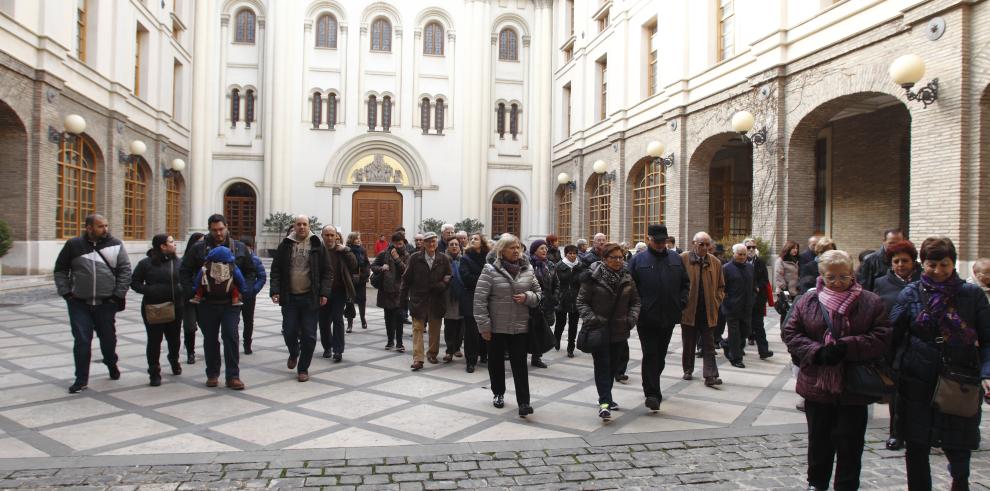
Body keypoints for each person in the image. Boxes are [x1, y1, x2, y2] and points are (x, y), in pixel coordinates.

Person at [782, 249, 890, 491]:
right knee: (819, 440)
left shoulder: (870, 301)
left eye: (844, 277)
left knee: (850, 443)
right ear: (822, 276)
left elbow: (882, 336)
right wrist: (817, 351)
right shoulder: (808, 301)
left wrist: (847, 346)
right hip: (817, 383)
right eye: (832, 277)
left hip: (854, 385)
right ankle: (816, 483)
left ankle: (847, 485)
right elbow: (791, 333)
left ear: (852, 274)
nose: (838, 282)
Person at [890, 237, 990, 491]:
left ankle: (960, 482)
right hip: (917, 381)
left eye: (944, 264)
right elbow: (894, 335)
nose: (938, 271)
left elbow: (988, 338)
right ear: (923, 264)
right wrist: (888, 372)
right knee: (917, 443)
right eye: (932, 264)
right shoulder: (910, 293)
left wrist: (986, 372)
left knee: (959, 441)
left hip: (960, 378)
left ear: (953, 264)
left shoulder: (972, 295)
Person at [55, 214, 132, 394]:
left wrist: (117, 295)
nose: (105, 229)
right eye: (100, 226)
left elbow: (125, 271)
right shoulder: (73, 245)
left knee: (108, 340)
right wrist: (66, 292)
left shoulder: (116, 244)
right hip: (79, 303)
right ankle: (81, 379)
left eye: (106, 225)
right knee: (82, 340)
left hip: (106, 303)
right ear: (89, 228)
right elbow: (60, 269)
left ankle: (111, 362)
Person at [180, 214, 256, 390]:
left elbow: (250, 271)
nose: (218, 233)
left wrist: (247, 290)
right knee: (210, 339)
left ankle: (233, 376)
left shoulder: (239, 248)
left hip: (231, 303)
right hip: (207, 303)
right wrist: (191, 290)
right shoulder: (198, 249)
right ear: (209, 229)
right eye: (214, 230)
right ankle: (212, 374)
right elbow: (184, 270)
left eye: (221, 229)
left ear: (227, 227)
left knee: (231, 336)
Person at [474, 234, 542, 416]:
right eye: (511, 247)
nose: (516, 251)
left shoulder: (527, 269)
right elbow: (479, 300)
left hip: (520, 326)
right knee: (495, 362)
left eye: (518, 247)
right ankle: (498, 393)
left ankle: (524, 402)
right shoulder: (490, 270)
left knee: (520, 364)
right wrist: (484, 326)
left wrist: (527, 297)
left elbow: (538, 293)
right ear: (501, 250)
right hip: (496, 326)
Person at [628, 224, 689, 410]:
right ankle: (652, 393)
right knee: (651, 354)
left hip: (669, 315)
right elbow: (630, 287)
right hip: (646, 317)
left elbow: (685, 283)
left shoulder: (675, 258)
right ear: (649, 240)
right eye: (657, 241)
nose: (661, 245)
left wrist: (682, 301)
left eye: (664, 241)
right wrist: (637, 308)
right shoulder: (638, 260)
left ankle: (652, 383)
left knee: (660, 356)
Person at [577, 242, 640, 419]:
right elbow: (581, 302)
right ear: (604, 259)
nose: (618, 261)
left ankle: (606, 396)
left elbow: (635, 301)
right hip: (599, 330)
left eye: (621, 257)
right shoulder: (592, 277)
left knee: (613, 367)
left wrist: (631, 319)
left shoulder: (627, 276)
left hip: (620, 329)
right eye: (614, 257)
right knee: (603, 366)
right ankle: (605, 402)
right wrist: (593, 319)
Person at [869, 239, 919, 452]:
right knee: (896, 394)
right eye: (896, 261)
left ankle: (921, 432)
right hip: (893, 344)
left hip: (918, 343)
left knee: (919, 393)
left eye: (905, 261)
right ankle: (896, 433)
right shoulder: (881, 282)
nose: (900, 265)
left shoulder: (922, 281)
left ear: (913, 262)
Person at [270, 215, 332, 382]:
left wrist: (324, 293)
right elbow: (276, 269)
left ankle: (303, 368)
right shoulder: (285, 245)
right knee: (289, 331)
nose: (302, 227)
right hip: (289, 297)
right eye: (299, 224)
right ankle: (293, 352)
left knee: (309, 336)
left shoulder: (317, 244)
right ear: (294, 226)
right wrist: (275, 290)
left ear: (309, 226)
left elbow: (327, 271)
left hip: (310, 298)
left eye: (305, 224)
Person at [130, 234, 184, 386]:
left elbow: (187, 280)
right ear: (163, 246)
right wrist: (150, 290)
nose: (174, 245)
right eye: (172, 242)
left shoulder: (179, 263)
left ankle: (174, 360)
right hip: (154, 308)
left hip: (175, 307)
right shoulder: (146, 264)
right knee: (154, 340)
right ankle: (154, 371)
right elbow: (134, 283)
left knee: (174, 339)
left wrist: (183, 290)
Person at [401, 232, 452, 370]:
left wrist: (441, 285)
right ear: (423, 243)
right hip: (419, 299)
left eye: (434, 241)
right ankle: (418, 358)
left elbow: (448, 275)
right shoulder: (414, 258)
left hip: (437, 299)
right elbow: (406, 279)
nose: (431, 244)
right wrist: (403, 299)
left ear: (437, 242)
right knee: (417, 328)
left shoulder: (443, 258)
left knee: (434, 329)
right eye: (428, 241)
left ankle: (432, 353)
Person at [680, 232, 725, 386]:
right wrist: (682, 302)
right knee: (688, 342)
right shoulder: (684, 259)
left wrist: (716, 301)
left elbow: (721, 286)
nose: (705, 247)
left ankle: (710, 375)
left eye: (707, 244)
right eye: (701, 244)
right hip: (689, 310)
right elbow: (677, 283)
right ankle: (688, 369)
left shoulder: (715, 262)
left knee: (709, 344)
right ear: (694, 243)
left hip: (708, 310)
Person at [318, 225, 357, 362]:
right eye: (326, 235)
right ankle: (327, 347)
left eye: (331, 235)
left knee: (338, 319)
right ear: (322, 236)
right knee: (323, 321)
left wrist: (346, 250)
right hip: (322, 292)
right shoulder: (318, 251)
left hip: (339, 291)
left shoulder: (342, 251)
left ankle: (338, 350)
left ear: (336, 236)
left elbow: (354, 265)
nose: (329, 237)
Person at [372, 232, 409, 352]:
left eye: (400, 243)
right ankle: (390, 341)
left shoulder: (407, 255)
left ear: (403, 242)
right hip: (386, 291)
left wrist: (397, 259)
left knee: (399, 318)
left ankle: (399, 342)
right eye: (395, 243)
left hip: (399, 291)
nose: (398, 246)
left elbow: (406, 271)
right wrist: (381, 268)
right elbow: (373, 266)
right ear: (392, 242)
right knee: (388, 317)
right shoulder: (384, 254)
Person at [460, 233, 490, 371]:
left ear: (482, 242)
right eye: (471, 239)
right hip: (470, 297)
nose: (472, 240)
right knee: (471, 331)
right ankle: (470, 360)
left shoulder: (489, 257)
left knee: (485, 327)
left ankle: (484, 354)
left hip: (487, 298)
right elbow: (466, 278)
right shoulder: (465, 258)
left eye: (475, 239)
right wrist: (484, 279)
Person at [722, 244, 755, 368]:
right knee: (735, 334)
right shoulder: (726, 268)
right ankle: (736, 358)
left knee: (745, 331)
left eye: (744, 254)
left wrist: (753, 298)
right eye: (739, 254)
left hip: (746, 306)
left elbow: (752, 285)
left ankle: (726, 343)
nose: (742, 257)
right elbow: (721, 288)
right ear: (733, 254)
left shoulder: (750, 268)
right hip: (732, 307)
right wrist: (726, 301)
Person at [528, 239, 558, 369]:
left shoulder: (550, 265)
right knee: (529, 331)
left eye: (546, 248)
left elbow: (556, 283)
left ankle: (537, 357)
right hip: (532, 303)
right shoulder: (528, 264)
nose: (545, 250)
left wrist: (555, 296)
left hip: (547, 303)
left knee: (542, 330)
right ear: (534, 250)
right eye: (541, 248)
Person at [744, 238, 774, 359]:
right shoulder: (741, 260)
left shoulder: (760, 262)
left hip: (758, 300)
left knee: (759, 326)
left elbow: (765, 280)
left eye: (753, 247)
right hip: (744, 300)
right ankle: (735, 349)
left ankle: (763, 350)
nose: (751, 249)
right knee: (743, 327)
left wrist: (757, 286)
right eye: (748, 247)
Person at [554, 245, 583, 357]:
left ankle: (571, 346)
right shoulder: (559, 266)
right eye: (570, 253)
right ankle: (556, 339)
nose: (572, 255)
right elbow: (555, 283)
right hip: (562, 298)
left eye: (574, 253)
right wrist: (557, 296)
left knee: (573, 324)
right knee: (560, 322)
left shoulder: (580, 266)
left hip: (576, 299)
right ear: (565, 254)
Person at [239, 238, 267, 355]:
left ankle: (247, 344)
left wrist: (254, 290)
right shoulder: (236, 259)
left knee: (248, 321)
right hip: (236, 295)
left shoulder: (255, 260)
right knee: (234, 321)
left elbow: (262, 277)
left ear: (251, 247)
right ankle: (233, 343)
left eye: (247, 247)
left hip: (249, 296)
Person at [857, 228, 906, 292]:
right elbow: (864, 288)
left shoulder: (907, 260)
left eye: (899, 243)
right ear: (884, 241)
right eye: (891, 243)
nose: (895, 246)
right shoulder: (870, 260)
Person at [181, 233, 205, 364]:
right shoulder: (185, 261)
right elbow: (182, 276)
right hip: (190, 298)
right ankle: (190, 352)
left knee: (207, 325)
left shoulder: (206, 260)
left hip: (204, 297)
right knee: (190, 326)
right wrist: (190, 291)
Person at [442, 239, 465, 363]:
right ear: (448, 247)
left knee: (461, 325)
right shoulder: (443, 260)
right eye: (451, 245)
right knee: (449, 325)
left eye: (456, 244)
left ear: (460, 247)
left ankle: (457, 348)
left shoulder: (464, 260)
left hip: (462, 296)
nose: (454, 246)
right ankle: (449, 351)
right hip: (448, 296)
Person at [345, 232, 371, 332]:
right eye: (356, 238)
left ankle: (363, 319)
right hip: (350, 280)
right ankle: (350, 324)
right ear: (351, 239)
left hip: (361, 280)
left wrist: (366, 273)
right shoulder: (347, 250)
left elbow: (367, 263)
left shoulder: (363, 250)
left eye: (359, 238)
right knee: (349, 301)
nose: (358, 240)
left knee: (362, 301)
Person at [774, 240, 801, 314]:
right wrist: (785, 288)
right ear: (788, 249)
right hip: (785, 291)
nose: (795, 250)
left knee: (795, 314)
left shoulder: (797, 260)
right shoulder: (780, 260)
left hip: (796, 291)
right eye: (793, 248)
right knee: (785, 313)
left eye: (796, 248)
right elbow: (778, 276)